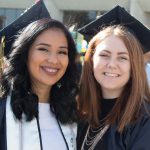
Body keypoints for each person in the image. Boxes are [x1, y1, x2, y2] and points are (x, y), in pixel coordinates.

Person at [77, 5, 150, 150]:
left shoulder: (144, 120)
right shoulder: (81, 112)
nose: (111, 64)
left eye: (122, 58)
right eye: (104, 55)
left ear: (134, 65)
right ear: (91, 60)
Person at [0, 18, 78, 150]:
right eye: (43, 49)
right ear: (25, 54)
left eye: (62, 52)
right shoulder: (3, 111)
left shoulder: (72, 113)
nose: (53, 60)